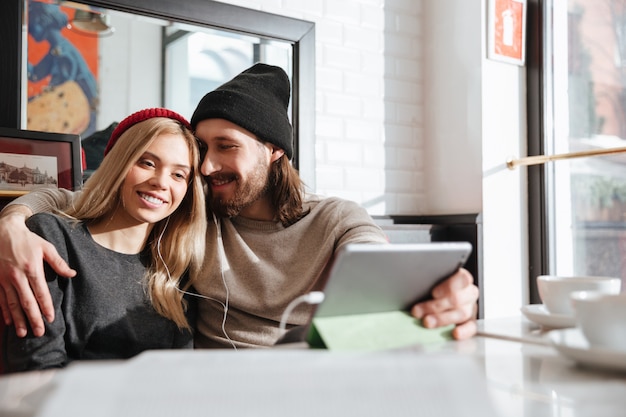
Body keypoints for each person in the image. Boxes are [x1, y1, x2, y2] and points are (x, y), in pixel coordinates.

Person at [0, 64, 478, 348]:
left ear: (274, 151)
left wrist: (442, 296)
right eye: (201, 150)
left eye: (225, 146)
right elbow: (73, 198)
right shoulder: (194, 210)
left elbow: (384, 270)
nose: (206, 168)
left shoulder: (336, 218)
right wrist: (13, 223)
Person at [1, 108, 207, 372]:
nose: (160, 182)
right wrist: (11, 219)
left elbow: (179, 376)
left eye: (178, 175)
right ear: (118, 163)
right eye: (147, 163)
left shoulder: (176, 270)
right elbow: (37, 368)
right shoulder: (52, 238)